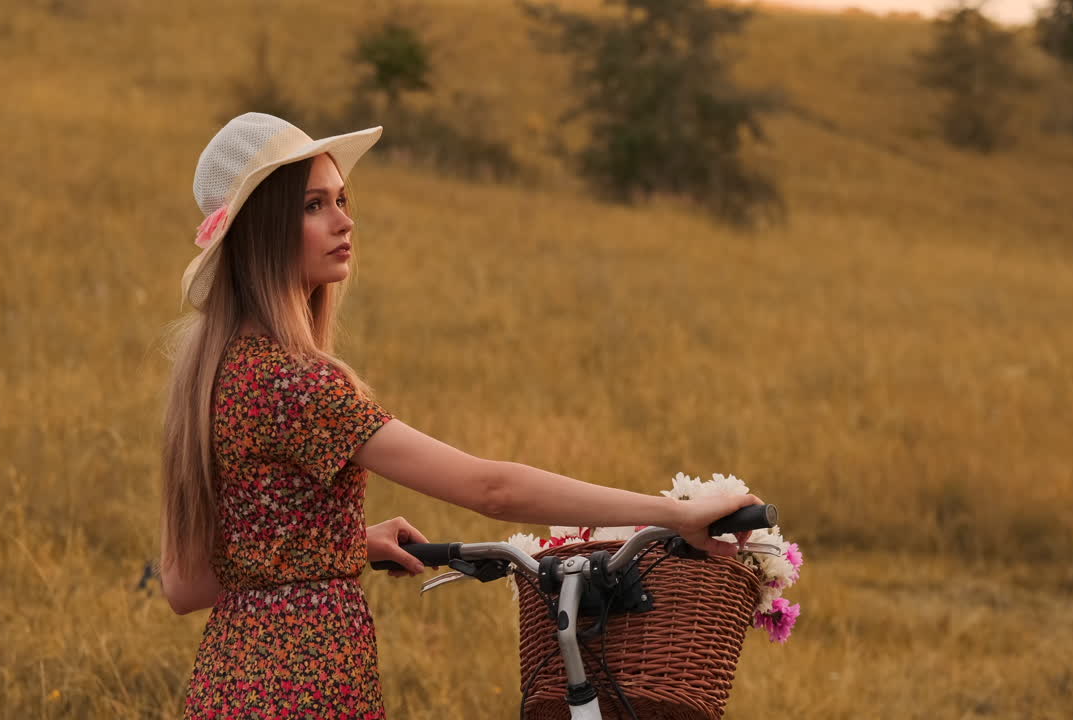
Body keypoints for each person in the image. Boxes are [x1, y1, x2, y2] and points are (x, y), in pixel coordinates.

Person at [158, 112, 762, 719]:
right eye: (314, 206)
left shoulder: (219, 372)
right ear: (262, 231)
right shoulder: (299, 383)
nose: (345, 220)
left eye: (342, 199)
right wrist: (672, 515)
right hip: (306, 693)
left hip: (231, 686)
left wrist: (342, 546)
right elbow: (489, 489)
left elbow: (186, 588)